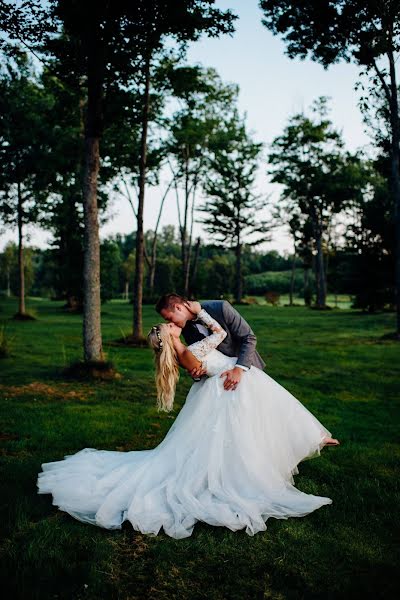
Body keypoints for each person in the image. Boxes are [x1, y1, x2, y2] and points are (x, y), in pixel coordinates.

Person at [37, 301, 339, 540]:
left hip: (229, 383)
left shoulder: (185, 353)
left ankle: (309, 438)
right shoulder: (191, 350)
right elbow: (219, 335)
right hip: (228, 389)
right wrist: (202, 314)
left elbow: (228, 346)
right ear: (170, 336)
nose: (173, 324)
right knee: (249, 429)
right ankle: (254, 468)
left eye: (171, 320)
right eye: (168, 325)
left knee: (264, 419)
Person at [155, 293, 266, 390]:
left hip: (246, 371)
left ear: (178, 307)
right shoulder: (184, 328)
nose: (171, 323)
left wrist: (239, 369)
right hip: (222, 382)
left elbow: (249, 337)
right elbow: (200, 357)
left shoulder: (220, 308)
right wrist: (197, 373)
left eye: (169, 318)